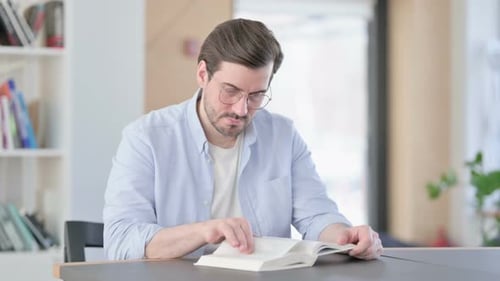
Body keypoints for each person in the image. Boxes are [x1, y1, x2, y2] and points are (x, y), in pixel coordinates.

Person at [103, 18, 383, 261]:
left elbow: (316, 216)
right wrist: (204, 231)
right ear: (202, 74)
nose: (241, 109)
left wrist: (345, 236)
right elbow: (121, 241)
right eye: (230, 91)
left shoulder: (283, 136)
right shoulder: (146, 138)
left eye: (256, 95)